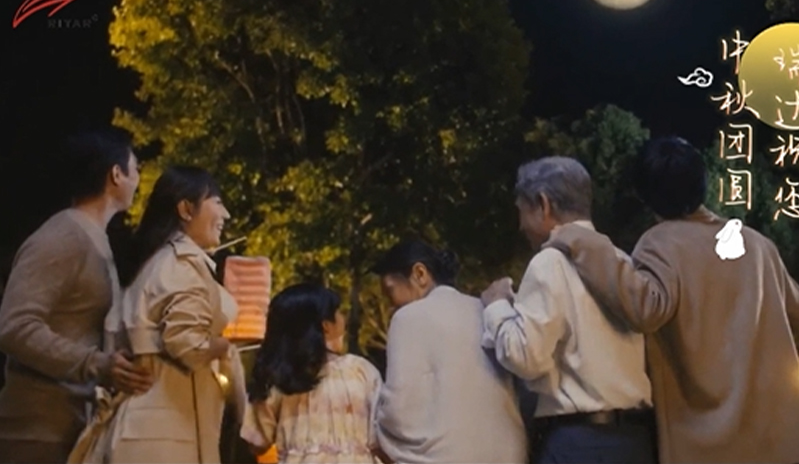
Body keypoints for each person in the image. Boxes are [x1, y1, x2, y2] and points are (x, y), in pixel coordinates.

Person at [545, 137, 799, 464]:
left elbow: (645, 310)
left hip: (709, 445)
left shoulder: (661, 243)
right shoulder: (756, 244)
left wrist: (583, 242)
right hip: (779, 442)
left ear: (645, 195)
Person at [480, 156, 656, 464]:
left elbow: (527, 358)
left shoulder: (550, 262)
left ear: (543, 204)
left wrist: (496, 306)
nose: (521, 226)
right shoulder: (621, 260)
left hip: (578, 442)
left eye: (521, 211)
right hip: (634, 442)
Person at [0, 128, 152, 464]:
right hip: (35, 434)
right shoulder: (62, 238)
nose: (139, 179)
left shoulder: (95, 239)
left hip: (72, 429)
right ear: (116, 174)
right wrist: (96, 364)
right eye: (135, 168)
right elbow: (15, 327)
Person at [77, 165, 244, 463]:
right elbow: (189, 347)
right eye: (217, 202)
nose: (226, 214)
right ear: (186, 209)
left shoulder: (153, 262)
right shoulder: (182, 265)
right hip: (166, 435)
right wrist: (225, 346)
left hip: (141, 425)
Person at [371, 240, 527, 464]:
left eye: (390, 291)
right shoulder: (485, 310)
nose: (390, 304)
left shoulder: (408, 317)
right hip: (510, 455)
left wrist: (375, 426)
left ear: (420, 274)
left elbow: (400, 408)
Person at [241, 283, 383, 464]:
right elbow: (382, 434)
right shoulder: (361, 371)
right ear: (326, 326)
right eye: (339, 312)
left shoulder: (279, 376)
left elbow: (257, 442)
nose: (343, 319)